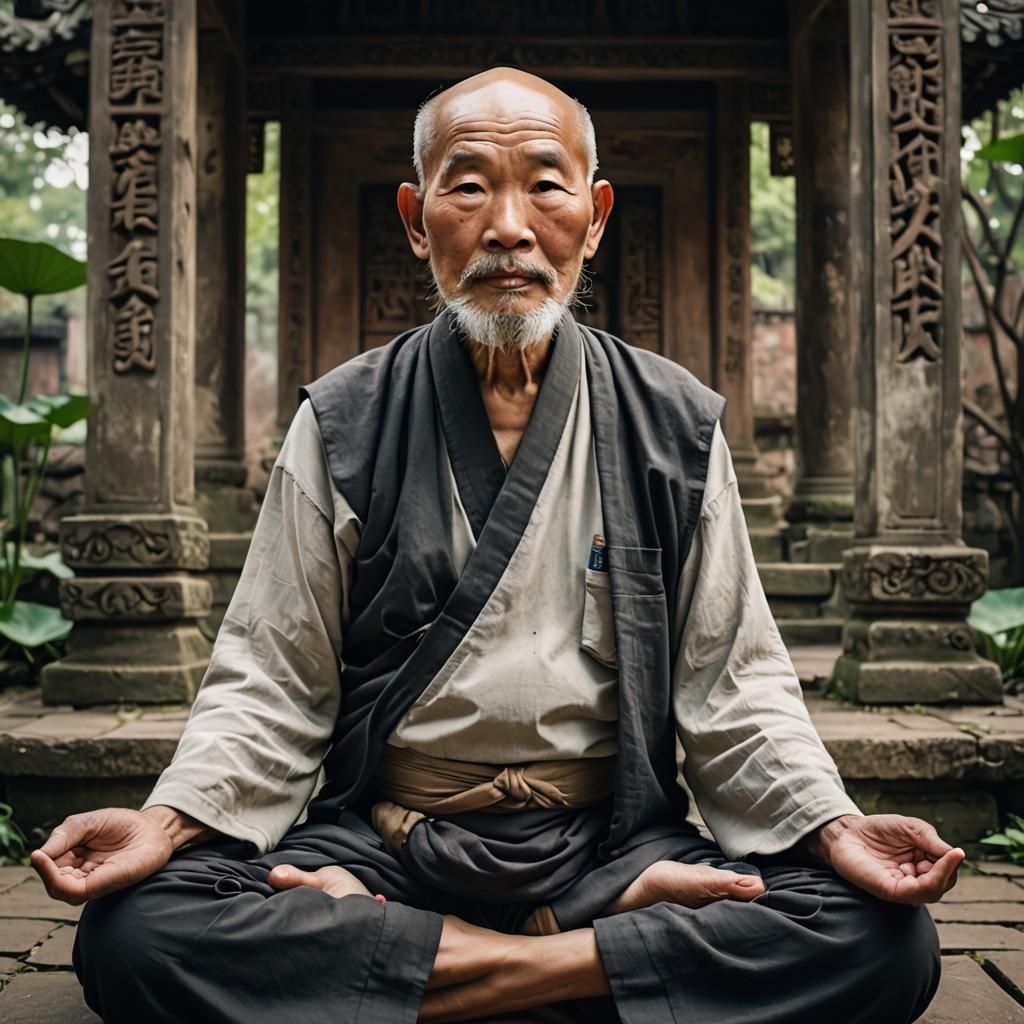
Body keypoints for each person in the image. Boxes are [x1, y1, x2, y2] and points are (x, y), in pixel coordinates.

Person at [32, 68, 956, 1024]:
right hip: (391, 843)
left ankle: (428, 966)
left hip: (606, 846)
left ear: (594, 217)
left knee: (883, 939)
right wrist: (167, 820)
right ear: (416, 218)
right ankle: (584, 962)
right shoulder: (345, 421)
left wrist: (830, 824)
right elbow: (270, 680)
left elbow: (736, 687)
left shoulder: (672, 425)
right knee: (135, 932)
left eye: (546, 186)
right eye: (468, 185)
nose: (508, 226)